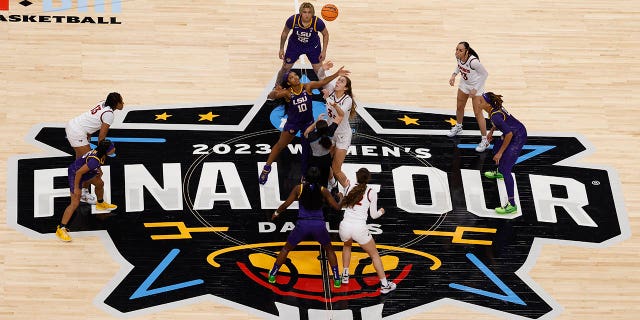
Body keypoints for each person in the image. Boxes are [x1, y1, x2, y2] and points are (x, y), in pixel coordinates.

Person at [260, 67, 350, 184]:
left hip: (307, 123)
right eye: (291, 77)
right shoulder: (287, 93)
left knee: (307, 151)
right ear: (288, 83)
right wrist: (274, 91)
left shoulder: (307, 86)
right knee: (280, 145)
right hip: (293, 123)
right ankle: (266, 168)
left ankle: (304, 175)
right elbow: (271, 96)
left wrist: (336, 74)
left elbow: (323, 82)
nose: (295, 77)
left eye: (295, 75)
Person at [268, 167, 343, 287]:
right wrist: (341, 197)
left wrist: (276, 213)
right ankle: (337, 278)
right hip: (318, 225)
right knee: (329, 249)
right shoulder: (323, 190)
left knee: (286, 249)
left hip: (302, 224)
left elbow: (286, 204)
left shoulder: (299, 188)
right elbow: (337, 208)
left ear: (305, 177)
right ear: (319, 178)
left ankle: (273, 274)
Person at [338, 168, 396, 294]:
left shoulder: (348, 187)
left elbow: (342, 203)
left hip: (345, 226)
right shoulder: (371, 192)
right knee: (374, 255)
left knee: (347, 246)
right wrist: (382, 211)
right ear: (368, 178)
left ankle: (345, 275)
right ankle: (385, 285)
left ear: (357, 177)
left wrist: (341, 195)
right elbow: (374, 216)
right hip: (359, 228)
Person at [65, 92, 124, 203]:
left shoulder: (103, 103)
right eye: (121, 101)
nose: (123, 103)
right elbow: (101, 138)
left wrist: (88, 138)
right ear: (116, 104)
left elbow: (91, 121)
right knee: (94, 171)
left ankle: (82, 190)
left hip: (76, 126)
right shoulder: (109, 115)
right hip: (77, 132)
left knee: (81, 163)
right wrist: (100, 157)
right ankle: (80, 192)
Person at [55, 139, 118, 242]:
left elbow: (92, 164)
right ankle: (61, 228)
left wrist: (99, 170)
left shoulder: (99, 153)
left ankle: (100, 203)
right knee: (75, 203)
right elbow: (79, 173)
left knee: (99, 183)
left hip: (85, 171)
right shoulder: (94, 160)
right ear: (106, 150)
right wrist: (76, 188)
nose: (114, 148)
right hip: (75, 174)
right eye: (112, 148)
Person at [480, 92, 527, 214]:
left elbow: (509, 134)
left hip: (517, 136)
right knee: (495, 147)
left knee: (506, 169)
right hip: (514, 131)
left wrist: (501, 153)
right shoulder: (493, 110)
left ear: (488, 104)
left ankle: (512, 205)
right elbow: (500, 122)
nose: (478, 102)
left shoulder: (495, 115)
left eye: (481, 101)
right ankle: (499, 172)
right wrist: (491, 131)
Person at [447, 42, 490, 152]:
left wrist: (475, 88)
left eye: (460, 50)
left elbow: (485, 74)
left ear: (467, 51)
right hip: (464, 84)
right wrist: (453, 75)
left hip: (476, 86)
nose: (457, 52)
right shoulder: (458, 57)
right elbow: (459, 66)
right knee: (459, 107)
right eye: (456, 49)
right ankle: (459, 127)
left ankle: (485, 140)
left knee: (477, 113)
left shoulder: (473, 62)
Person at [274, 2, 329, 88]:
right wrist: (281, 48)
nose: (307, 15)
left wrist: (324, 51)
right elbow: (284, 33)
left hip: (312, 47)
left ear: (312, 14)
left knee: (319, 71)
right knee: (285, 68)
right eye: (304, 12)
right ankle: (277, 86)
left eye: (309, 12)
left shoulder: (317, 22)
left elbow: (326, 34)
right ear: (300, 13)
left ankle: (328, 89)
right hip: (295, 46)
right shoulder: (293, 20)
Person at [322, 68, 358, 192]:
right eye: (338, 80)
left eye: (341, 81)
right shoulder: (332, 90)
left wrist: (328, 99)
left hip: (343, 135)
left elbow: (341, 113)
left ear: (346, 88)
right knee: (324, 163)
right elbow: (321, 75)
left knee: (336, 169)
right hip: (330, 132)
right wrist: (325, 68)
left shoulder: (347, 99)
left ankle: (351, 191)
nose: (337, 82)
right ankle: (333, 185)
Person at [303, 103, 345, 188]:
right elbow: (341, 116)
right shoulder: (330, 131)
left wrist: (316, 122)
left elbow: (306, 132)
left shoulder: (312, 137)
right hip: (326, 159)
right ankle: (331, 187)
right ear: (327, 127)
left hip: (314, 161)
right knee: (324, 179)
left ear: (317, 129)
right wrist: (335, 106)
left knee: (314, 178)